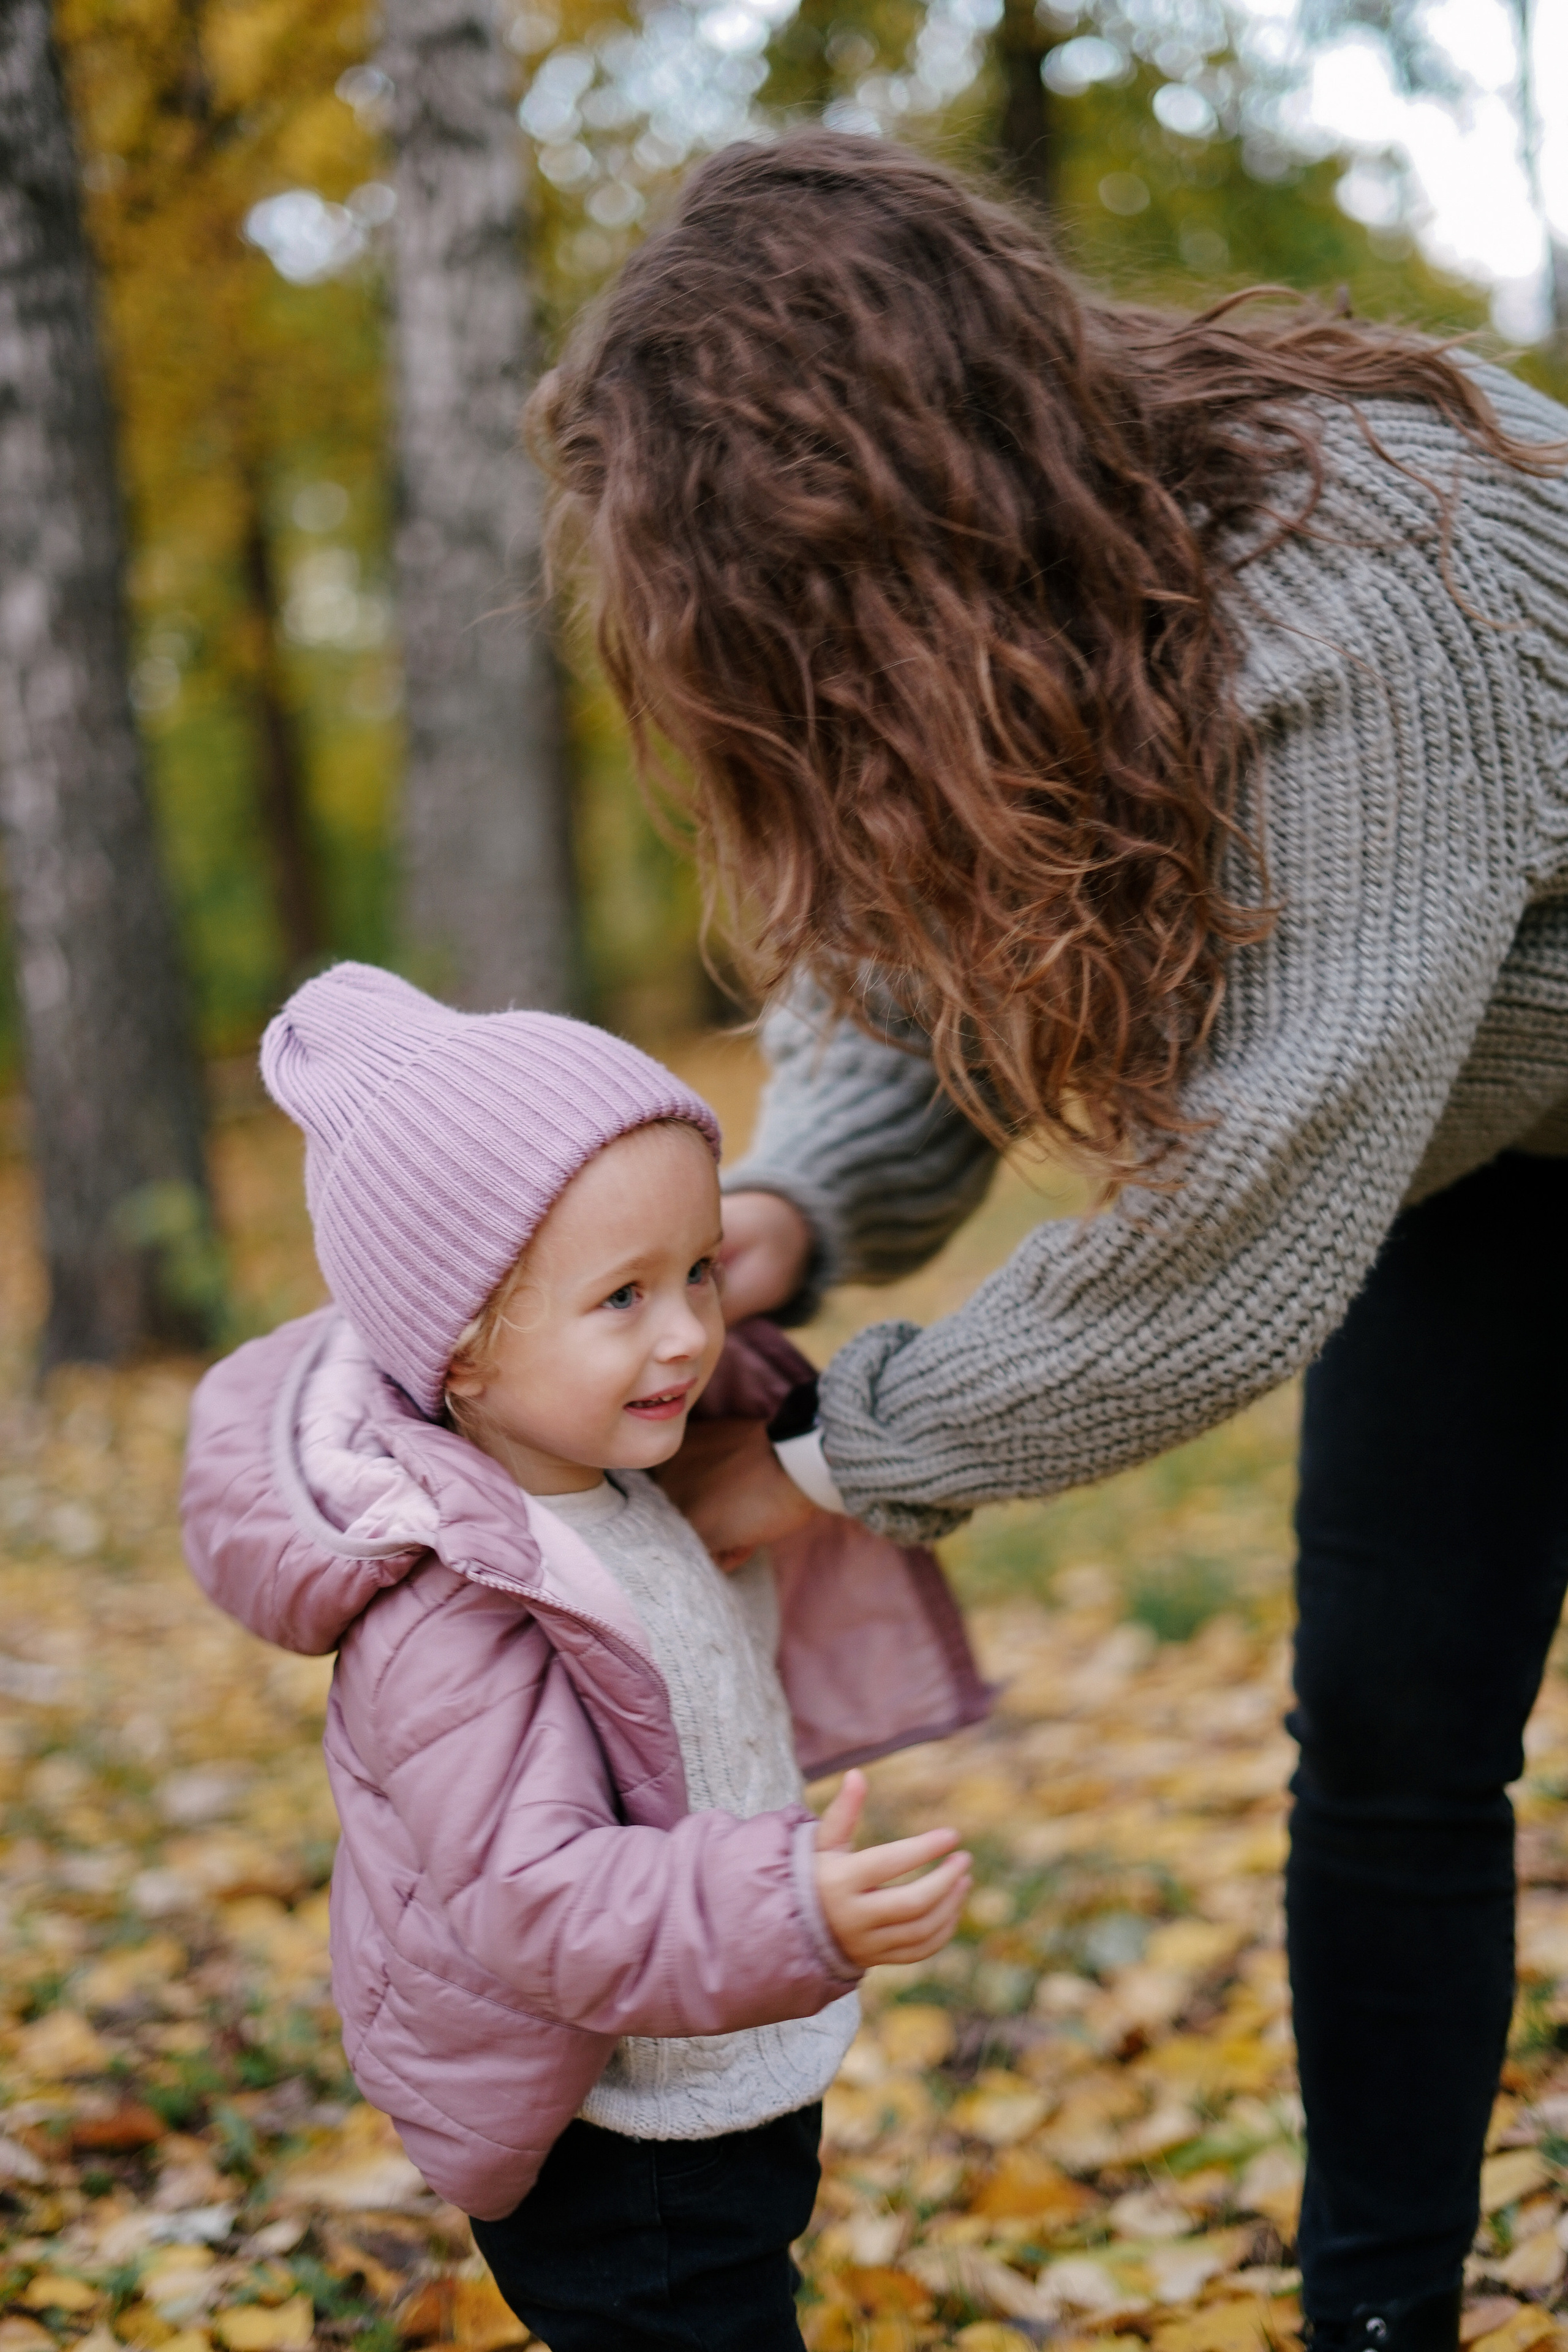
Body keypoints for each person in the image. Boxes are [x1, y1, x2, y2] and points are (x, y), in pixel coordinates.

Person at [532, 132, 1568, 2347]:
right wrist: (777, 1218)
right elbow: (890, 975)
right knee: (1394, 1731)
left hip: (1415, 1112)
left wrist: (820, 1461)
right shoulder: (1001, 640)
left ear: (930, 483)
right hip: (1484, 1148)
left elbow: (1236, 1224)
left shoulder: (1366, 584)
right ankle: (1382, 2323)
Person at [179, 961, 987, 2352]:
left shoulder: (622, 1478)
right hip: (619, 2147)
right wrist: (788, 1908)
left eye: (698, 1270)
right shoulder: (460, 1602)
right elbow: (530, 1894)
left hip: (704, 2059)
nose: (687, 1331)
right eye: (622, 1296)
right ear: (463, 1350)